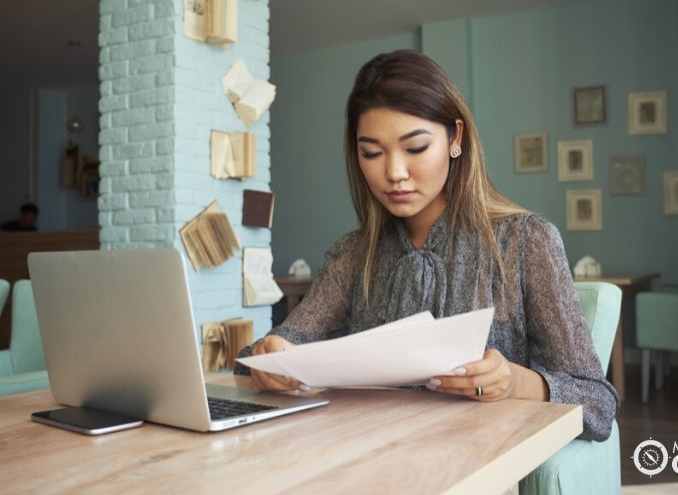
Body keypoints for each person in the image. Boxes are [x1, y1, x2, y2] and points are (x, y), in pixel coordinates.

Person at [235, 49, 618, 441]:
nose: (394, 173)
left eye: (415, 148)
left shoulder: (526, 241)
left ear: (455, 137)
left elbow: (599, 406)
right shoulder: (352, 255)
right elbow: (263, 355)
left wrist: (517, 383)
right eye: (371, 153)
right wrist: (270, 358)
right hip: (365, 460)